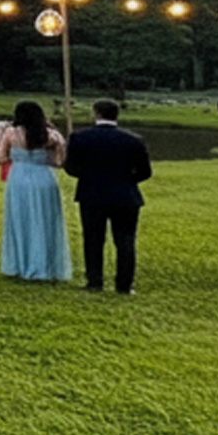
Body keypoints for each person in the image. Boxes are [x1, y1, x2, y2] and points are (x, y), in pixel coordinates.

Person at [63, 98, 153, 295]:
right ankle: (124, 285)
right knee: (125, 240)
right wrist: (127, 180)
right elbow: (145, 172)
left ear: (96, 113)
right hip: (125, 195)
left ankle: (95, 281)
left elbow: (70, 167)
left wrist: (88, 176)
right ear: (116, 115)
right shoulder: (133, 140)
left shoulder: (80, 137)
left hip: (92, 194)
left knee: (93, 239)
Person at [0, 100, 71, 281]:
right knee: (45, 220)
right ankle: (45, 266)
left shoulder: (11, 134)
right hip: (44, 178)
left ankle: (19, 265)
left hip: (19, 179)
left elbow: (1, 158)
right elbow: (60, 162)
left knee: (20, 220)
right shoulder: (52, 136)